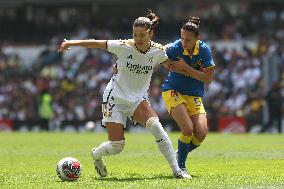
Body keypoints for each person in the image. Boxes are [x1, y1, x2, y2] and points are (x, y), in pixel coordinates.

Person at [58, 10, 191, 178]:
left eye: (142, 35)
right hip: (115, 97)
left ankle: (176, 170)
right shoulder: (123, 46)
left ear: (150, 34)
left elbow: (170, 66)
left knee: (157, 127)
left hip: (137, 99)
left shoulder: (157, 52)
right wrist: (72, 42)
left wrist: (188, 69)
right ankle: (96, 155)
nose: (138, 38)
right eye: (135, 34)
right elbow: (96, 43)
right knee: (117, 146)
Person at [161, 16, 215, 173]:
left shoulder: (204, 50)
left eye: (188, 40)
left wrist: (185, 67)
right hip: (173, 90)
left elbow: (208, 80)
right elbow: (157, 54)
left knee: (201, 133)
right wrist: (166, 64)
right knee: (187, 129)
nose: (184, 43)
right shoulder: (174, 47)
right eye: (182, 38)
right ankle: (180, 167)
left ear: (197, 38)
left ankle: (179, 154)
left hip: (194, 95)